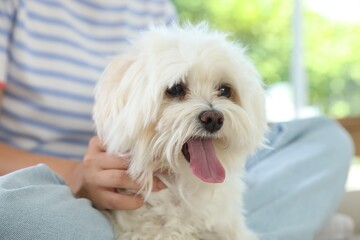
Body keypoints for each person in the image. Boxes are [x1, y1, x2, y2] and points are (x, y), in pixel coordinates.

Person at [0, 1, 354, 240]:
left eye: (225, 91)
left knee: (325, 138)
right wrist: (77, 175)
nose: (210, 112)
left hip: (189, 176)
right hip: (58, 190)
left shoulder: (152, 6)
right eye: (176, 91)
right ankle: (293, 220)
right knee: (13, 212)